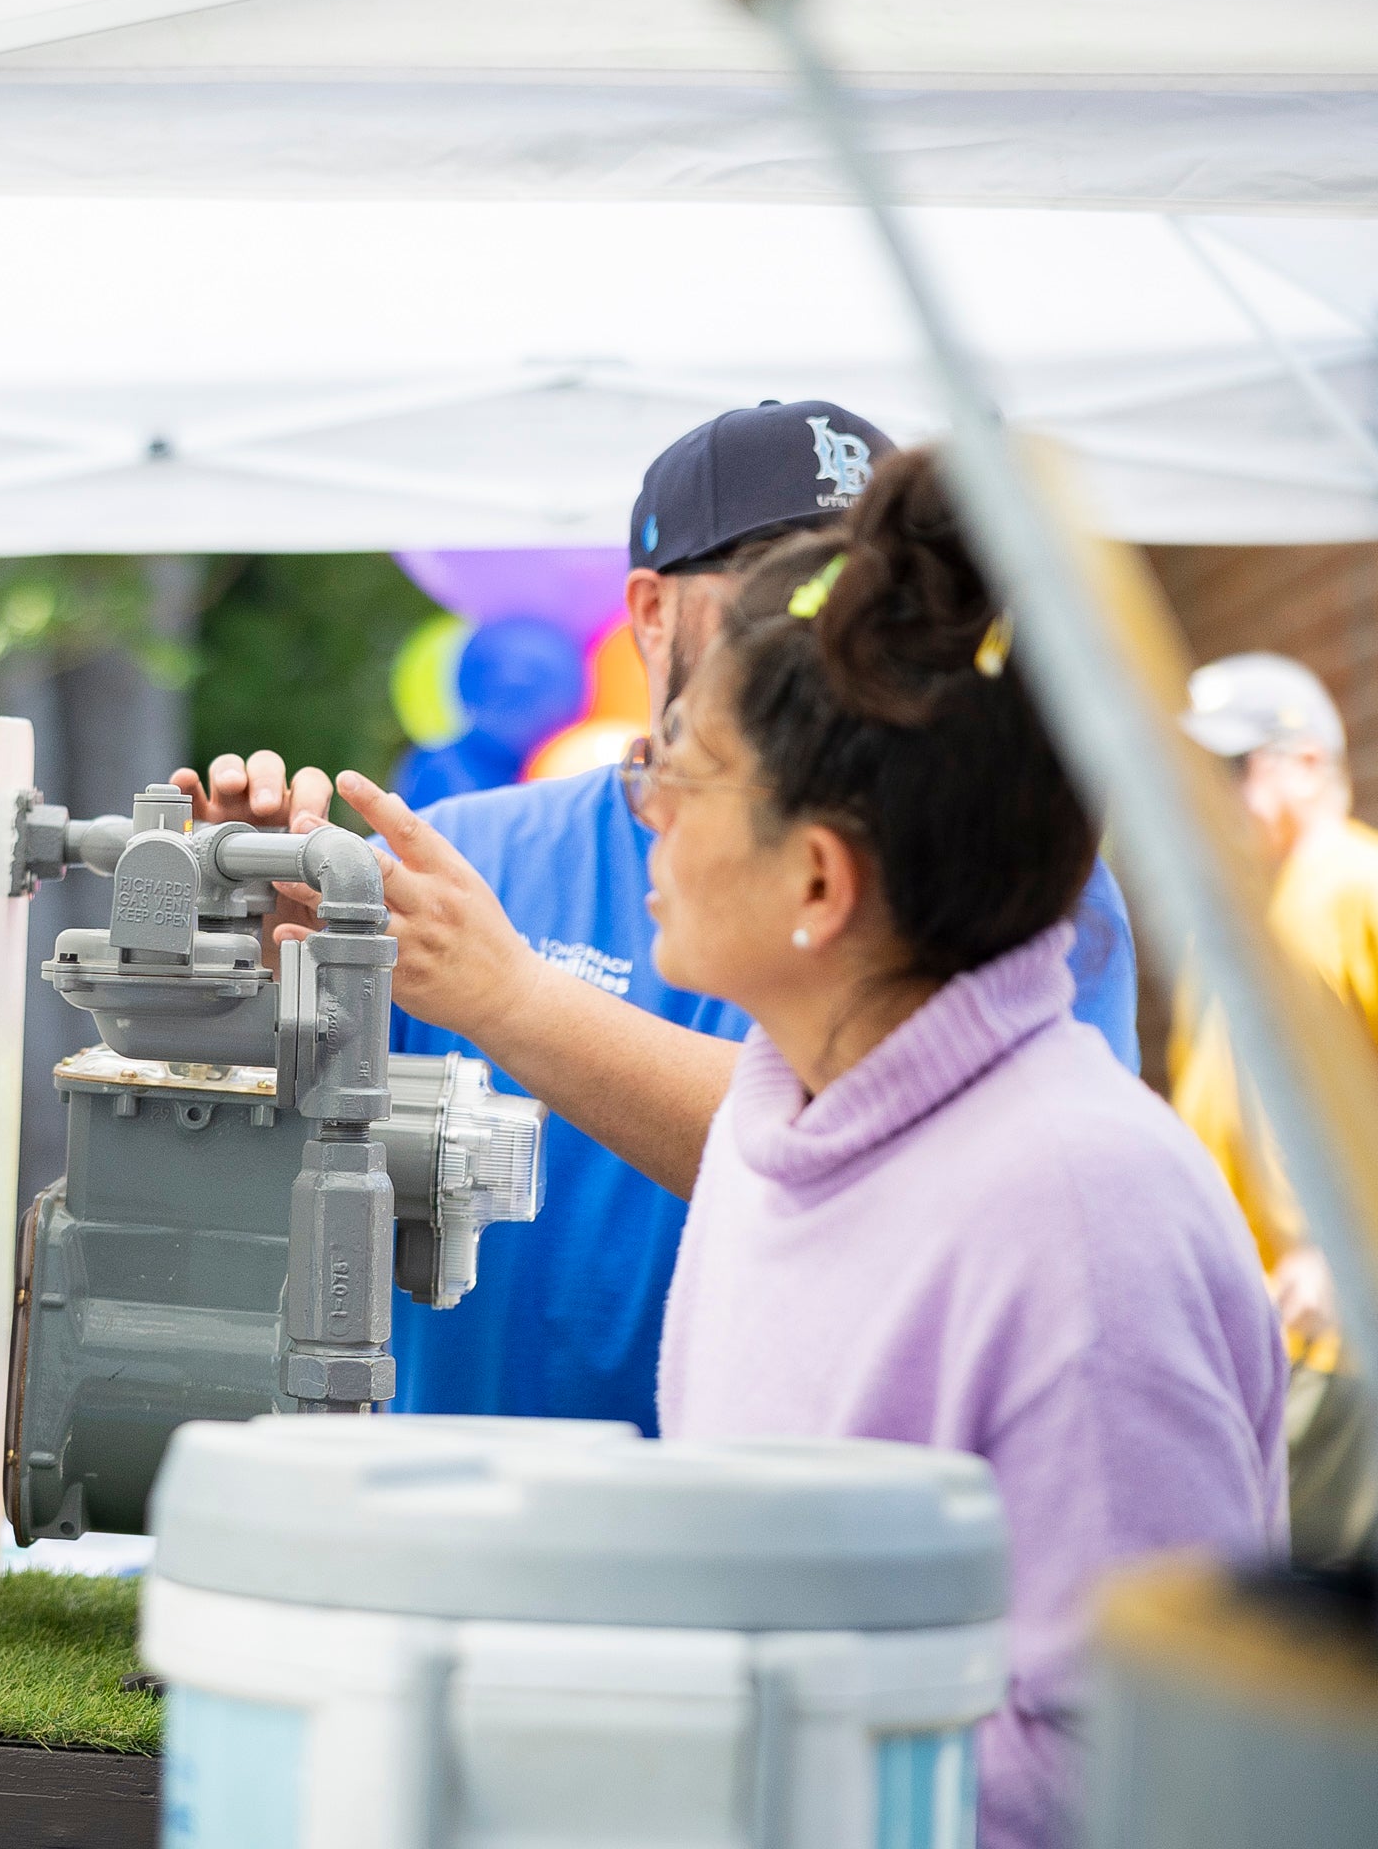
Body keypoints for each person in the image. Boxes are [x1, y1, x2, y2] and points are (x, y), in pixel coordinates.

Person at [177, 402, 1141, 1429]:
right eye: (778, 587)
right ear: (649, 611)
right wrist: (239, 956)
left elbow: (912, 1171)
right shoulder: (459, 853)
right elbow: (250, 1157)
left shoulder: (1002, 875)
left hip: (795, 1547)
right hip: (465, 1534)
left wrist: (512, 995)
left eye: (861, 591)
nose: (822, 633)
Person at [645, 448, 1282, 1849]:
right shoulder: (772, 1133)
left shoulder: (1081, 1212)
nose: (648, 802)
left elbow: (1133, 1769)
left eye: (681, 769)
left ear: (817, 880)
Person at [1169, 651, 1378, 1566]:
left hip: (1339, 1356)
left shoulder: (1350, 880)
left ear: (1303, 763)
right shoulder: (1236, 919)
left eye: (1233, 766)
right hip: (1261, 1350)